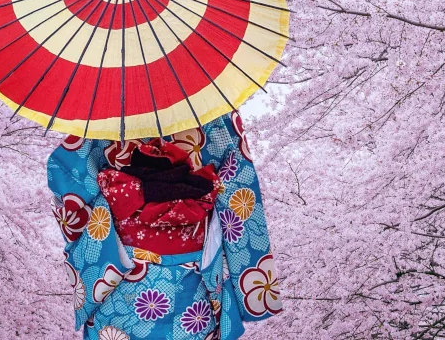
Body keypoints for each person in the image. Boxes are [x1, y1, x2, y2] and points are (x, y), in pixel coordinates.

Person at [47, 111, 281, 340]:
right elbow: (240, 196)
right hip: (194, 275)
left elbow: (66, 185)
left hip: (120, 270)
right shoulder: (212, 109)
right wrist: (250, 283)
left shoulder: (101, 113)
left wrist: (118, 204)